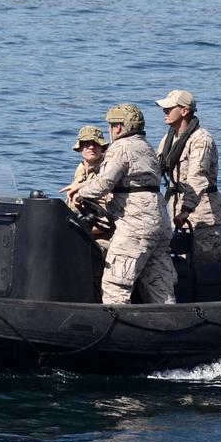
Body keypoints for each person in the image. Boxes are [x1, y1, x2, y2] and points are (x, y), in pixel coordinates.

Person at [62, 103, 174, 305]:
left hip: (135, 224)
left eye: (112, 126)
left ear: (119, 127)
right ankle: (171, 326)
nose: (111, 131)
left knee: (115, 284)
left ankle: (118, 330)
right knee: (159, 286)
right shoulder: (146, 147)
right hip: (159, 222)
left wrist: (80, 192)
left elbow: (103, 184)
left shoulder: (120, 148)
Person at [155, 88, 221, 264]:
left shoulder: (201, 140)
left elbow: (197, 176)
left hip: (201, 214)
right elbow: (156, 167)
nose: (165, 112)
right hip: (176, 209)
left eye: (170, 108)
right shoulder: (169, 138)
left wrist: (186, 210)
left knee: (203, 267)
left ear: (185, 111)